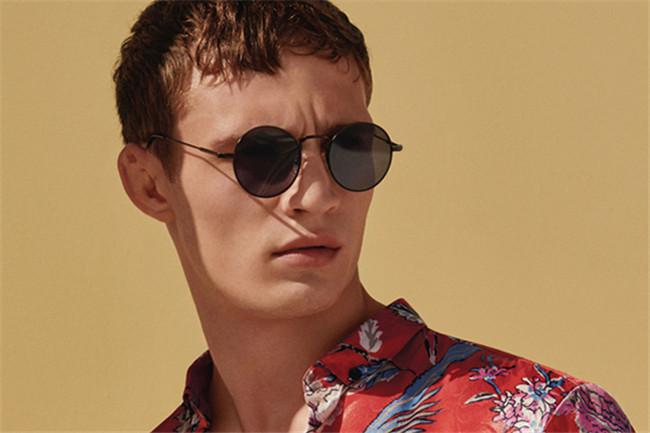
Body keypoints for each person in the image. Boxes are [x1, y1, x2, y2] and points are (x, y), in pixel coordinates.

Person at [113, 1, 635, 432]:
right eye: (261, 156)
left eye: (350, 147)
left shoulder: (546, 421)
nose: (318, 195)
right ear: (150, 184)